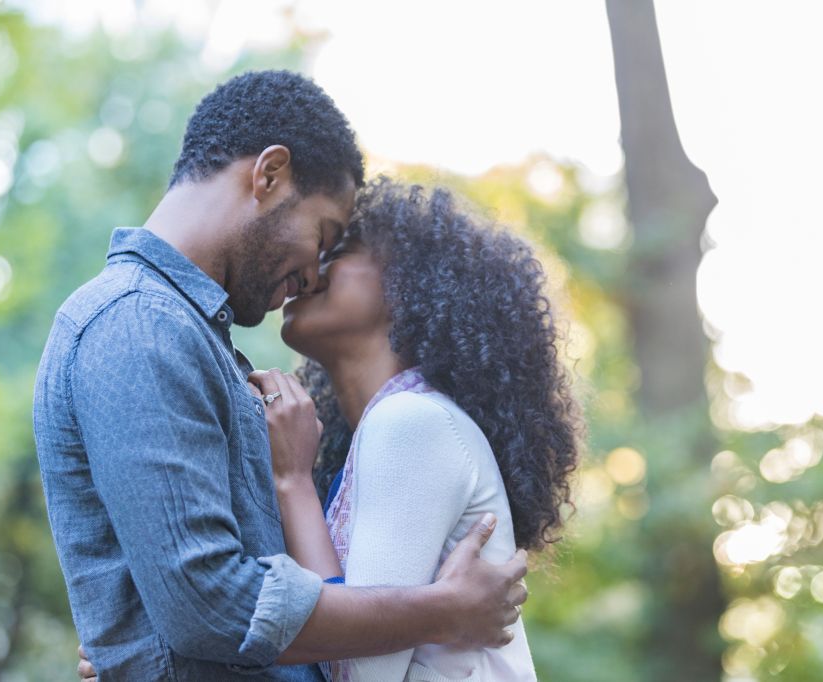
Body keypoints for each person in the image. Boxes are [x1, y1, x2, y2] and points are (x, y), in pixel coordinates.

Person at [34, 70, 526, 682]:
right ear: (268, 174)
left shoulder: (190, 339)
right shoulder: (139, 323)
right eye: (324, 235)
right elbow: (209, 603)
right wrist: (441, 611)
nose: (315, 273)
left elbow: (197, 611)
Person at [250, 178, 584, 680]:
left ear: (409, 279)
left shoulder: (413, 420)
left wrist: (292, 480)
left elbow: (353, 670)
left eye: (338, 248)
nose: (310, 263)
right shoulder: (390, 430)